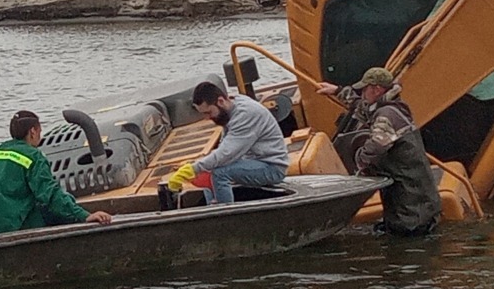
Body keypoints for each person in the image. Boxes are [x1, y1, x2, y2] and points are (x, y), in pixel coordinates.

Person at [316, 67, 442, 235]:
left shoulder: (385, 116)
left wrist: (357, 167)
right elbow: (361, 107)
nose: (362, 93)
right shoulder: (394, 106)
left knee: (405, 233)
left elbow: (376, 147)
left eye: (364, 89)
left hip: (410, 202)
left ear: (376, 89)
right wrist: (337, 91)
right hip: (420, 197)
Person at [0, 111, 112, 237]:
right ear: (33, 132)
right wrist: (84, 216)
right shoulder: (33, 156)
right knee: (61, 203)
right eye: (40, 131)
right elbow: (50, 194)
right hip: (12, 225)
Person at [167, 82, 290, 204]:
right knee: (207, 171)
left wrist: (193, 169)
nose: (206, 118)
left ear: (220, 101)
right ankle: (211, 206)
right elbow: (223, 150)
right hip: (253, 162)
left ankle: (225, 214)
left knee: (220, 173)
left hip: (272, 167)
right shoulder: (231, 108)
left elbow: (227, 153)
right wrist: (197, 166)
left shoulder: (246, 114)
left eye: (208, 112)